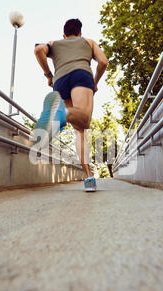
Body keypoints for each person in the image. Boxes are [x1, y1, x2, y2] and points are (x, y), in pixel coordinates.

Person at [33, 18, 108, 192]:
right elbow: (103, 62)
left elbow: (38, 50)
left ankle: (88, 178)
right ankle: (63, 113)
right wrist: (95, 82)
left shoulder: (54, 43)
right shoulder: (88, 42)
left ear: (64, 34)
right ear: (80, 33)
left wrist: (49, 75)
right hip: (81, 75)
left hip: (60, 81)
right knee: (84, 123)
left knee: (78, 128)